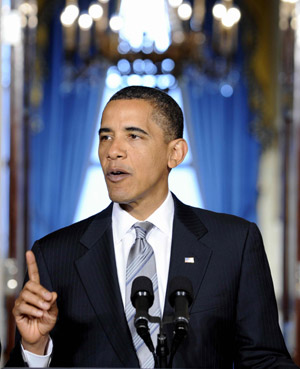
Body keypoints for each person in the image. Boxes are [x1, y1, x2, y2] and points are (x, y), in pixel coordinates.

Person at [5, 86, 299, 368]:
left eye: (133, 136)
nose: (113, 151)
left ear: (176, 153)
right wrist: (35, 349)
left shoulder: (234, 244)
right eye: (105, 137)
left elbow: (264, 360)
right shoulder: (54, 254)